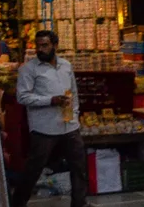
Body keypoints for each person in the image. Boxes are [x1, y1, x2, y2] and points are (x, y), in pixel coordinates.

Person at [11, 30, 87, 207]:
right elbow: (22, 97)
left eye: (45, 45)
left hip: (69, 126)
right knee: (33, 169)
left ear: (55, 45)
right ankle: (18, 203)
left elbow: (73, 92)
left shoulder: (66, 66)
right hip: (44, 128)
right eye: (38, 46)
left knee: (79, 166)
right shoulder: (29, 69)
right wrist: (50, 100)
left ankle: (79, 203)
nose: (40, 49)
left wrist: (75, 114)